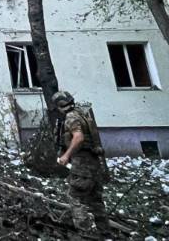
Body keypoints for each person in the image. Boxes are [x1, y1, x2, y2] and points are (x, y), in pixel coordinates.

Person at [54, 90, 109, 235]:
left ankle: (85, 233)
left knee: (75, 197)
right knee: (96, 201)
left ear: (60, 105)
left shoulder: (71, 117)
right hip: (94, 164)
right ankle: (105, 233)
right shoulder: (82, 114)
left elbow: (78, 137)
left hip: (82, 165)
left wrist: (66, 156)